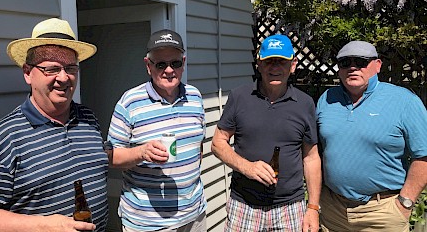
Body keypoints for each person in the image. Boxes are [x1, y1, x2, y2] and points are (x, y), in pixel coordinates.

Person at [0, 18, 109, 232]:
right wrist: (43, 225)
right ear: (27, 73)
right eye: (51, 69)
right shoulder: (7, 137)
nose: (63, 77)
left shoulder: (88, 118)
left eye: (70, 68)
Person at [211, 34, 322, 232]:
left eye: (282, 61)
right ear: (259, 64)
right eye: (269, 61)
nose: (275, 67)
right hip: (244, 205)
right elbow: (218, 143)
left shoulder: (305, 103)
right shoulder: (239, 97)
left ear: (293, 65)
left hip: (290, 207)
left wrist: (313, 207)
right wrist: (247, 167)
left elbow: (311, 158)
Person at [316, 40, 427, 232]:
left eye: (360, 61)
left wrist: (405, 203)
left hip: (382, 212)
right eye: (345, 62)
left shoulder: (404, 101)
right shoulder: (327, 99)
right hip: (333, 211)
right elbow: (315, 151)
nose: (352, 67)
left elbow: (423, 155)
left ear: (377, 65)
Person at [106, 29, 207, 231]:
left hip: (194, 216)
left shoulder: (195, 97)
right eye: (161, 64)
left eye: (175, 63)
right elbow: (110, 156)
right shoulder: (130, 102)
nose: (169, 70)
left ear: (183, 63)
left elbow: (199, 148)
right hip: (148, 223)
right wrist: (141, 152)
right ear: (148, 65)